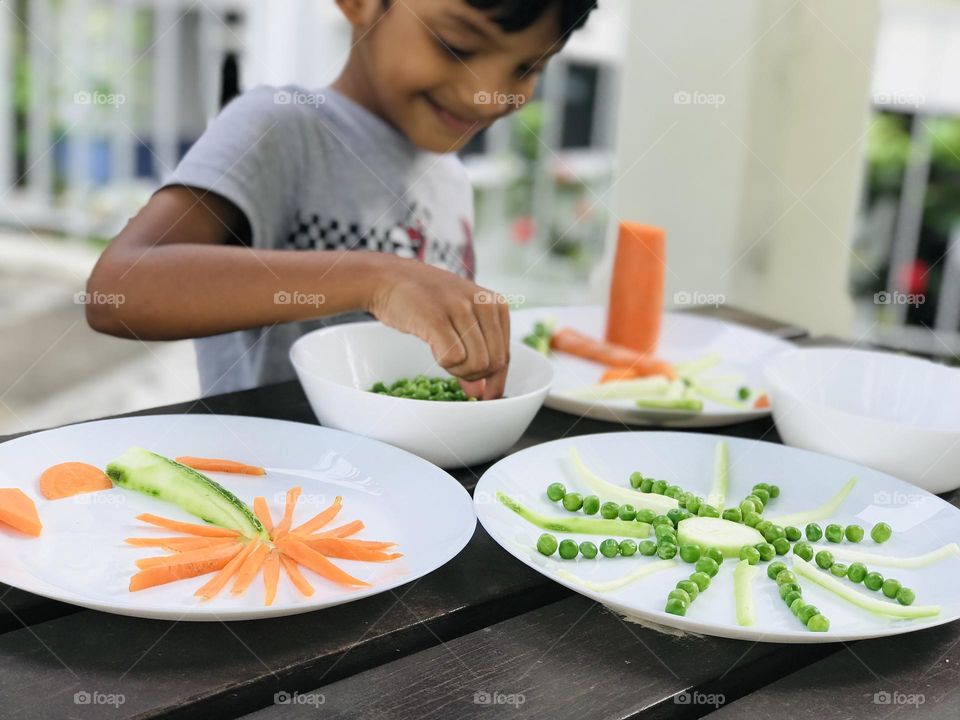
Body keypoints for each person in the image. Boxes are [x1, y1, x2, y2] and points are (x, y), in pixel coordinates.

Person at [86, 0, 598, 399]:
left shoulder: (453, 181)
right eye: (456, 46)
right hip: (273, 497)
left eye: (529, 67)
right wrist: (377, 278)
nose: (485, 92)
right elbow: (119, 290)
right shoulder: (280, 127)